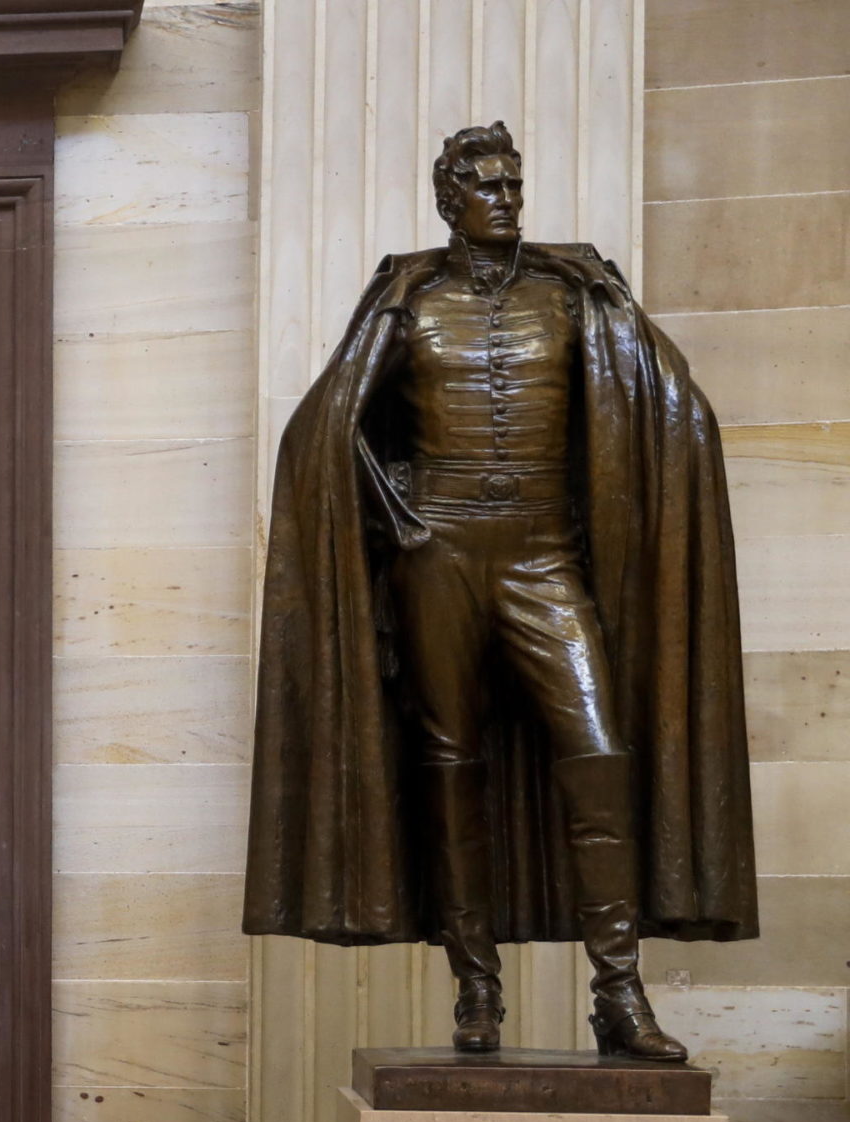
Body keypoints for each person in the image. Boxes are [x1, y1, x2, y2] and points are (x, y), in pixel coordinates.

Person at [245, 122, 756, 1058]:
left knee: (598, 746)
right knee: (449, 758)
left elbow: (661, 399)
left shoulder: (572, 298)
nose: (507, 198)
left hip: (543, 551)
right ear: (450, 200)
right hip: (439, 552)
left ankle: (619, 989)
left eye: (515, 183)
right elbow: (323, 429)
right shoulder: (409, 301)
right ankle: (477, 987)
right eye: (487, 184)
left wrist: (619, 305)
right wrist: (395, 510)